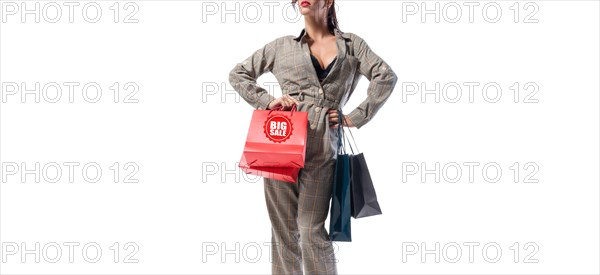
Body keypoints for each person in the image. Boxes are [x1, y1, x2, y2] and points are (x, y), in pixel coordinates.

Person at [229, 0, 398, 273]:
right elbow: (238, 74)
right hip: (280, 141)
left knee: (310, 231)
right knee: (283, 232)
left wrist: (354, 117)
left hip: (323, 148)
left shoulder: (352, 45)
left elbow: (385, 76)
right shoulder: (281, 46)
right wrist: (268, 101)